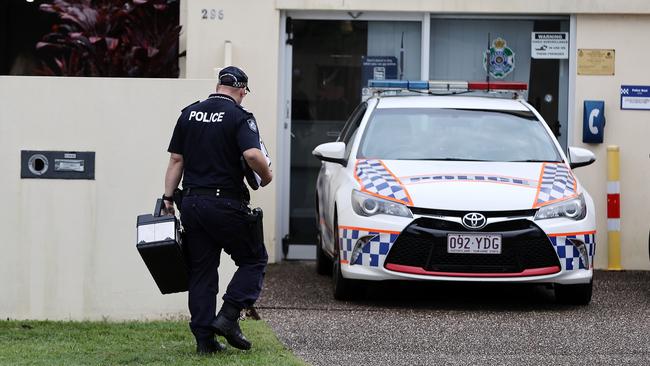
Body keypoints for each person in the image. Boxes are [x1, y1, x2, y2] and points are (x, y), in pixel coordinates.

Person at [162, 66, 273, 354]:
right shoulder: (239, 116)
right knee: (254, 259)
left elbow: (176, 161)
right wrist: (267, 175)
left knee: (202, 271)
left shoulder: (189, 114)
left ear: (218, 85)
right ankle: (228, 316)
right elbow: (251, 154)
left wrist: (167, 199)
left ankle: (204, 341)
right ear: (241, 90)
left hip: (193, 204)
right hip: (225, 203)